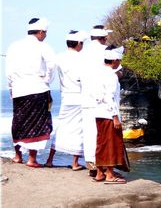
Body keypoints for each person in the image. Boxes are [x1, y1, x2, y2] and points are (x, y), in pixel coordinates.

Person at [5, 17, 56, 168]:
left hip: (18, 89)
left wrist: (11, 88)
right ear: (40, 32)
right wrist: (47, 79)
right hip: (38, 88)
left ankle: (17, 156)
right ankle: (32, 159)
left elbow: (8, 71)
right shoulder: (43, 46)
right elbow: (52, 65)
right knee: (39, 124)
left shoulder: (13, 46)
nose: (45, 35)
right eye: (45, 33)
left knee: (19, 121)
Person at [45, 30, 87, 170]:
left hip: (66, 97)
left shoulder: (59, 57)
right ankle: (75, 163)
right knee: (79, 130)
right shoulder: (82, 58)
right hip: (80, 96)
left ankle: (50, 159)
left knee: (61, 127)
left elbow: (48, 69)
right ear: (79, 43)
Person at [92, 45, 130, 184]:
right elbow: (110, 97)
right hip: (109, 114)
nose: (119, 63)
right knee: (111, 144)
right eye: (119, 60)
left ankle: (99, 173)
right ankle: (109, 175)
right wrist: (115, 117)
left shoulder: (98, 73)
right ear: (114, 60)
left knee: (101, 143)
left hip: (98, 112)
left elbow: (96, 94)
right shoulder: (111, 76)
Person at [80, 25, 111, 176]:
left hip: (86, 99)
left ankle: (92, 166)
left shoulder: (82, 53)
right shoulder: (106, 51)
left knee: (89, 133)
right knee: (102, 133)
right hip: (102, 100)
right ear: (103, 38)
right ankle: (103, 168)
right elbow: (115, 72)